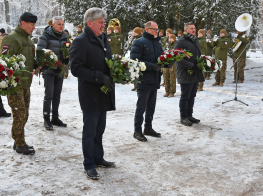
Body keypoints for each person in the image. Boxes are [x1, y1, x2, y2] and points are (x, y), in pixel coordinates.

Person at [69, 7, 116, 180]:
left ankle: (98, 158)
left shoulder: (103, 38)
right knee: (89, 131)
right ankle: (89, 163)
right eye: (101, 23)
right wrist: (99, 77)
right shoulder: (80, 41)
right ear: (89, 23)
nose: (104, 26)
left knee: (100, 129)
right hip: (90, 93)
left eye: (104, 22)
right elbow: (76, 68)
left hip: (103, 92)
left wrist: (116, 71)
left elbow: (106, 61)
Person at [0, 12, 38, 155]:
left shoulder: (29, 40)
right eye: (31, 25)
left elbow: (30, 61)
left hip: (26, 83)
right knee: (20, 114)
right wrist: (9, 81)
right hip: (15, 84)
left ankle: (18, 141)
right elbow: (4, 62)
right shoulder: (11, 39)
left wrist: (41, 63)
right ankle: (20, 143)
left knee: (25, 114)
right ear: (23, 23)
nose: (33, 27)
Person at [130, 21, 163, 142]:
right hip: (143, 79)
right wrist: (152, 66)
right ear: (147, 29)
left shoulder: (157, 43)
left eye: (157, 30)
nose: (156, 32)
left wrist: (168, 61)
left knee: (151, 106)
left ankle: (148, 127)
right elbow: (135, 60)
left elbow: (161, 57)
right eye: (154, 29)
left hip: (154, 79)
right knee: (141, 106)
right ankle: (137, 130)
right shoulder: (139, 42)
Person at [37, 16, 68, 130]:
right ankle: (46, 119)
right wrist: (51, 64)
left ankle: (55, 118)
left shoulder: (64, 36)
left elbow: (68, 50)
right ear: (53, 25)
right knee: (49, 95)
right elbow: (40, 52)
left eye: (62, 24)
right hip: (49, 70)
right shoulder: (45, 36)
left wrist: (67, 58)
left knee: (57, 94)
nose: (61, 26)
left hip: (60, 71)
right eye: (59, 24)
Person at [174, 22, 204, 126]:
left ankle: (190, 115)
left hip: (195, 72)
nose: (194, 30)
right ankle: (183, 117)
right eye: (191, 28)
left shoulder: (195, 41)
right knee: (185, 95)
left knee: (192, 95)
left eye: (194, 28)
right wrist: (191, 66)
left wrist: (202, 63)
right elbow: (178, 58)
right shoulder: (181, 42)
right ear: (186, 30)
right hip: (185, 72)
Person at [130, 27, 142, 92]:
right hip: (134, 57)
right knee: (134, 72)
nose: (134, 33)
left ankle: (138, 86)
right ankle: (135, 86)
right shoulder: (135, 38)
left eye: (135, 32)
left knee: (137, 72)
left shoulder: (139, 39)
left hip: (137, 58)